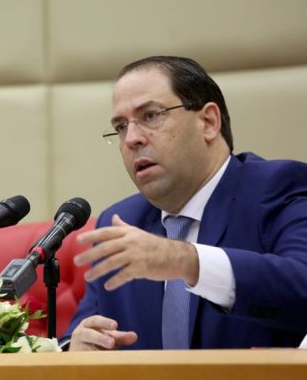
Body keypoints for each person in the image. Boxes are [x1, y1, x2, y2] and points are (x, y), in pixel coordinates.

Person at [64, 56, 307, 351]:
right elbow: (80, 333)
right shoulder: (120, 221)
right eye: (121, 126)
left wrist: (185, 260)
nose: (131, 139)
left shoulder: (278, 187)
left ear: (208, 122)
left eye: (151, 115)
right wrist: (77, 348)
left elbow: (301, 285)